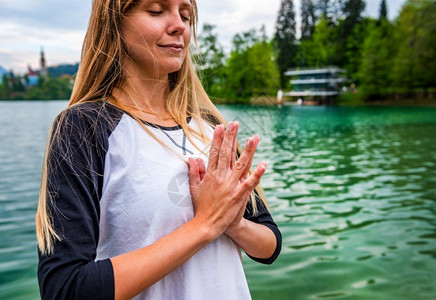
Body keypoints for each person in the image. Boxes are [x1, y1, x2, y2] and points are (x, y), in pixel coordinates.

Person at [35, 0, 282, 299]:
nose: (179, 25)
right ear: (114, 23)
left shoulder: (210, 125)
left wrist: (235, 224)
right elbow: (66, 289)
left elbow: (270, 245)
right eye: (156, 11)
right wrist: (205, 225)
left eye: (186, 15)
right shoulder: (83, 128)